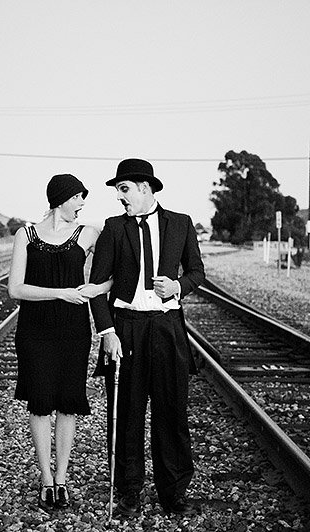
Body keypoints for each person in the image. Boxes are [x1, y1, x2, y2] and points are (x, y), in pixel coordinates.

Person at [89, 158, 205, 518]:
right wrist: (107, 332)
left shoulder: (181, 224)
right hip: (126, 328)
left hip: (168, 328)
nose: (119, 197)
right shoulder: (113, 228)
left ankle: (173, 492)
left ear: (144, 187)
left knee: (171, 412)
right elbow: (96, 288)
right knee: (126, 414)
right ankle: (129, 491)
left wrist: (178, 286)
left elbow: (198, 272)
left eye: (123, 189)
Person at [8, 173, 109, 512]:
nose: (82, 204)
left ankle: (62, 480)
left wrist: (96, 289)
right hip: (35, 331)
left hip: (73, 330)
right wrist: (61, 293)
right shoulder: (26, 235)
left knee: (68, 403)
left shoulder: (88, 234)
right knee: (38, 403)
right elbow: (16, 290)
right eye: (79, 197)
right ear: (62, 198)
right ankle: (46, 479)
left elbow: (119, 267)